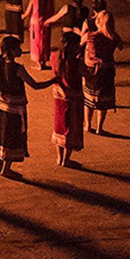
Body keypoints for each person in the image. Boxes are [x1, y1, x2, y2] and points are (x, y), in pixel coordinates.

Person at [0, 36, 54, 176]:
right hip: (15, 108)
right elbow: (35, 86)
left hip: (2, 105)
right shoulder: (17, 69)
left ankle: (0, 166)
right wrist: (54, 80)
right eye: (18, 48)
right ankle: (7, 170)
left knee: (2, 135)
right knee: (12, 137)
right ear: (11, 51)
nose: (20, 51)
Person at [82, 0, 123, 135]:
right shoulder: (114, 38)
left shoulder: (92, 36)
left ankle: (87, 125)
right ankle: (100, 127)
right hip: (107, 70)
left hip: (92, 70)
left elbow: (81, 43)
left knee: (89, 99)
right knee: (103, 101)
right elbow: (121, 46)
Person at [51, 31, 85, 167]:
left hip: (58, 95)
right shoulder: (75, 62)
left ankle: (59, 158)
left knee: (60, 125)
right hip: (73, 96)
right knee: (71, 127)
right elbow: (86, 74)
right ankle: (66, 159)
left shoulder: (55, 57)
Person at [22, 0, 57, 69]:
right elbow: (52, 11)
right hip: (46, 23)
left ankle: (39, 64)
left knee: (36, 43)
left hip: (35, 24)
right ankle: (44, 62)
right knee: (45, 42)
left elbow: (26, 13)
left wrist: (20, 17)